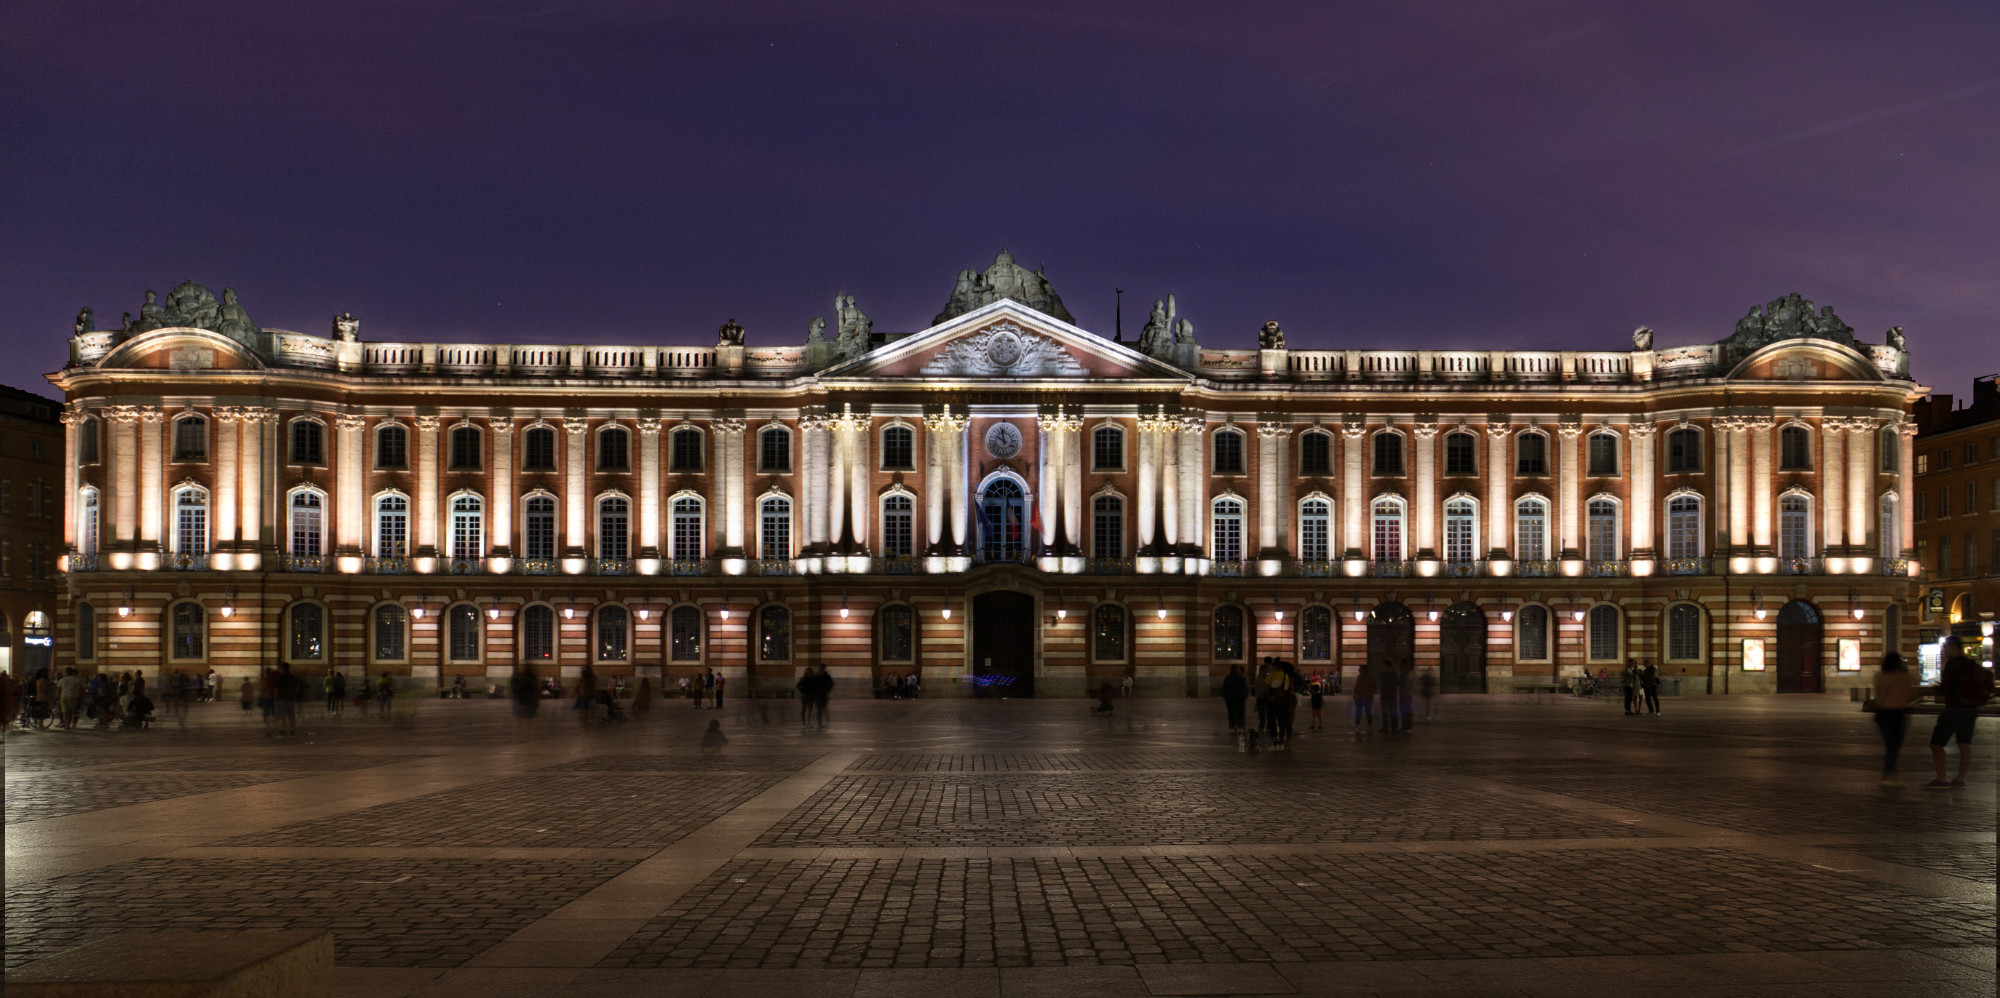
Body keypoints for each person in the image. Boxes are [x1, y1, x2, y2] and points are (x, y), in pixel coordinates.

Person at [1926, 636, 1993, 789]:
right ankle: (1960, 779)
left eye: (1945, 648)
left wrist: (1938, 688)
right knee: (1964, 744)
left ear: (1952, 647)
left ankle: (1941, 778)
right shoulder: (1970, 664)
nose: (1944, 651)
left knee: (1936, 744)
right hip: (1970, 710)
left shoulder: (1953, 664)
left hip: (1954, 709)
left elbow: (1948, 688)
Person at [1871, 652, 1915, 788]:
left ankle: (1888, 775)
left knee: (1890, 746)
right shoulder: (1904, 676)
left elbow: (1877, 695)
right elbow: (1909, 696)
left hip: (1882, 714)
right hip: (1897, 714)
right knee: (1894, 747)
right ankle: (1891, 776)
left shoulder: (1879, 676)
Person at [273, 663, 303, 736]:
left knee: (282, 715)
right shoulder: (293, 677)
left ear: (282, 668)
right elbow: (297, 687)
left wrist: (275, 699)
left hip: (282, 698)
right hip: (291, 698)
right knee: (291, 715)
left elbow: (276, 689)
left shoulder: (280, 677)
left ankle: (282, 729)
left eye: (279, 668)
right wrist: (294, 695)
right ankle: (292, 730)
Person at [1222, 664, 1249, 742]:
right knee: (1241, 712)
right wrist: (1244, 696)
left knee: (1231, 712)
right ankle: (1241, 726)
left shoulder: (1228, 678)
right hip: (1239, 698)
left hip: (1230, 698)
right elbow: (1244, 688)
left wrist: (1225, 696)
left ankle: (1233, 727)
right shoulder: (1241, 678)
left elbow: (1224, 688)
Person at [1351, 666, 1376, 739]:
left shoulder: (1370, 677)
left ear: (1364, 670)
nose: (1359, 671)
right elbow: (1356, 687)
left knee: (1364, 712)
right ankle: (1360, 726)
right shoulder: (1360, 677)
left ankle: (1365, 726)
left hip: (1365, 698)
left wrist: (1367, 693)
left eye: (1360, 670)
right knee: (1362, 712)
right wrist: (1355, 694)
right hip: (1361, 698)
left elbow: (1373, 688)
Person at [1376, 662, 1399, 734]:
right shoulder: (1394, 674)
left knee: (1386, 712)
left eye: (1384, 665)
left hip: (1387, 695)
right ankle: (1393, 727)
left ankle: (1388, 727)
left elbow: (1381, 683)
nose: (1383, 667)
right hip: (1390, 695)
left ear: (1388, 666)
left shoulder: (1385, 674)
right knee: (1390, 712)